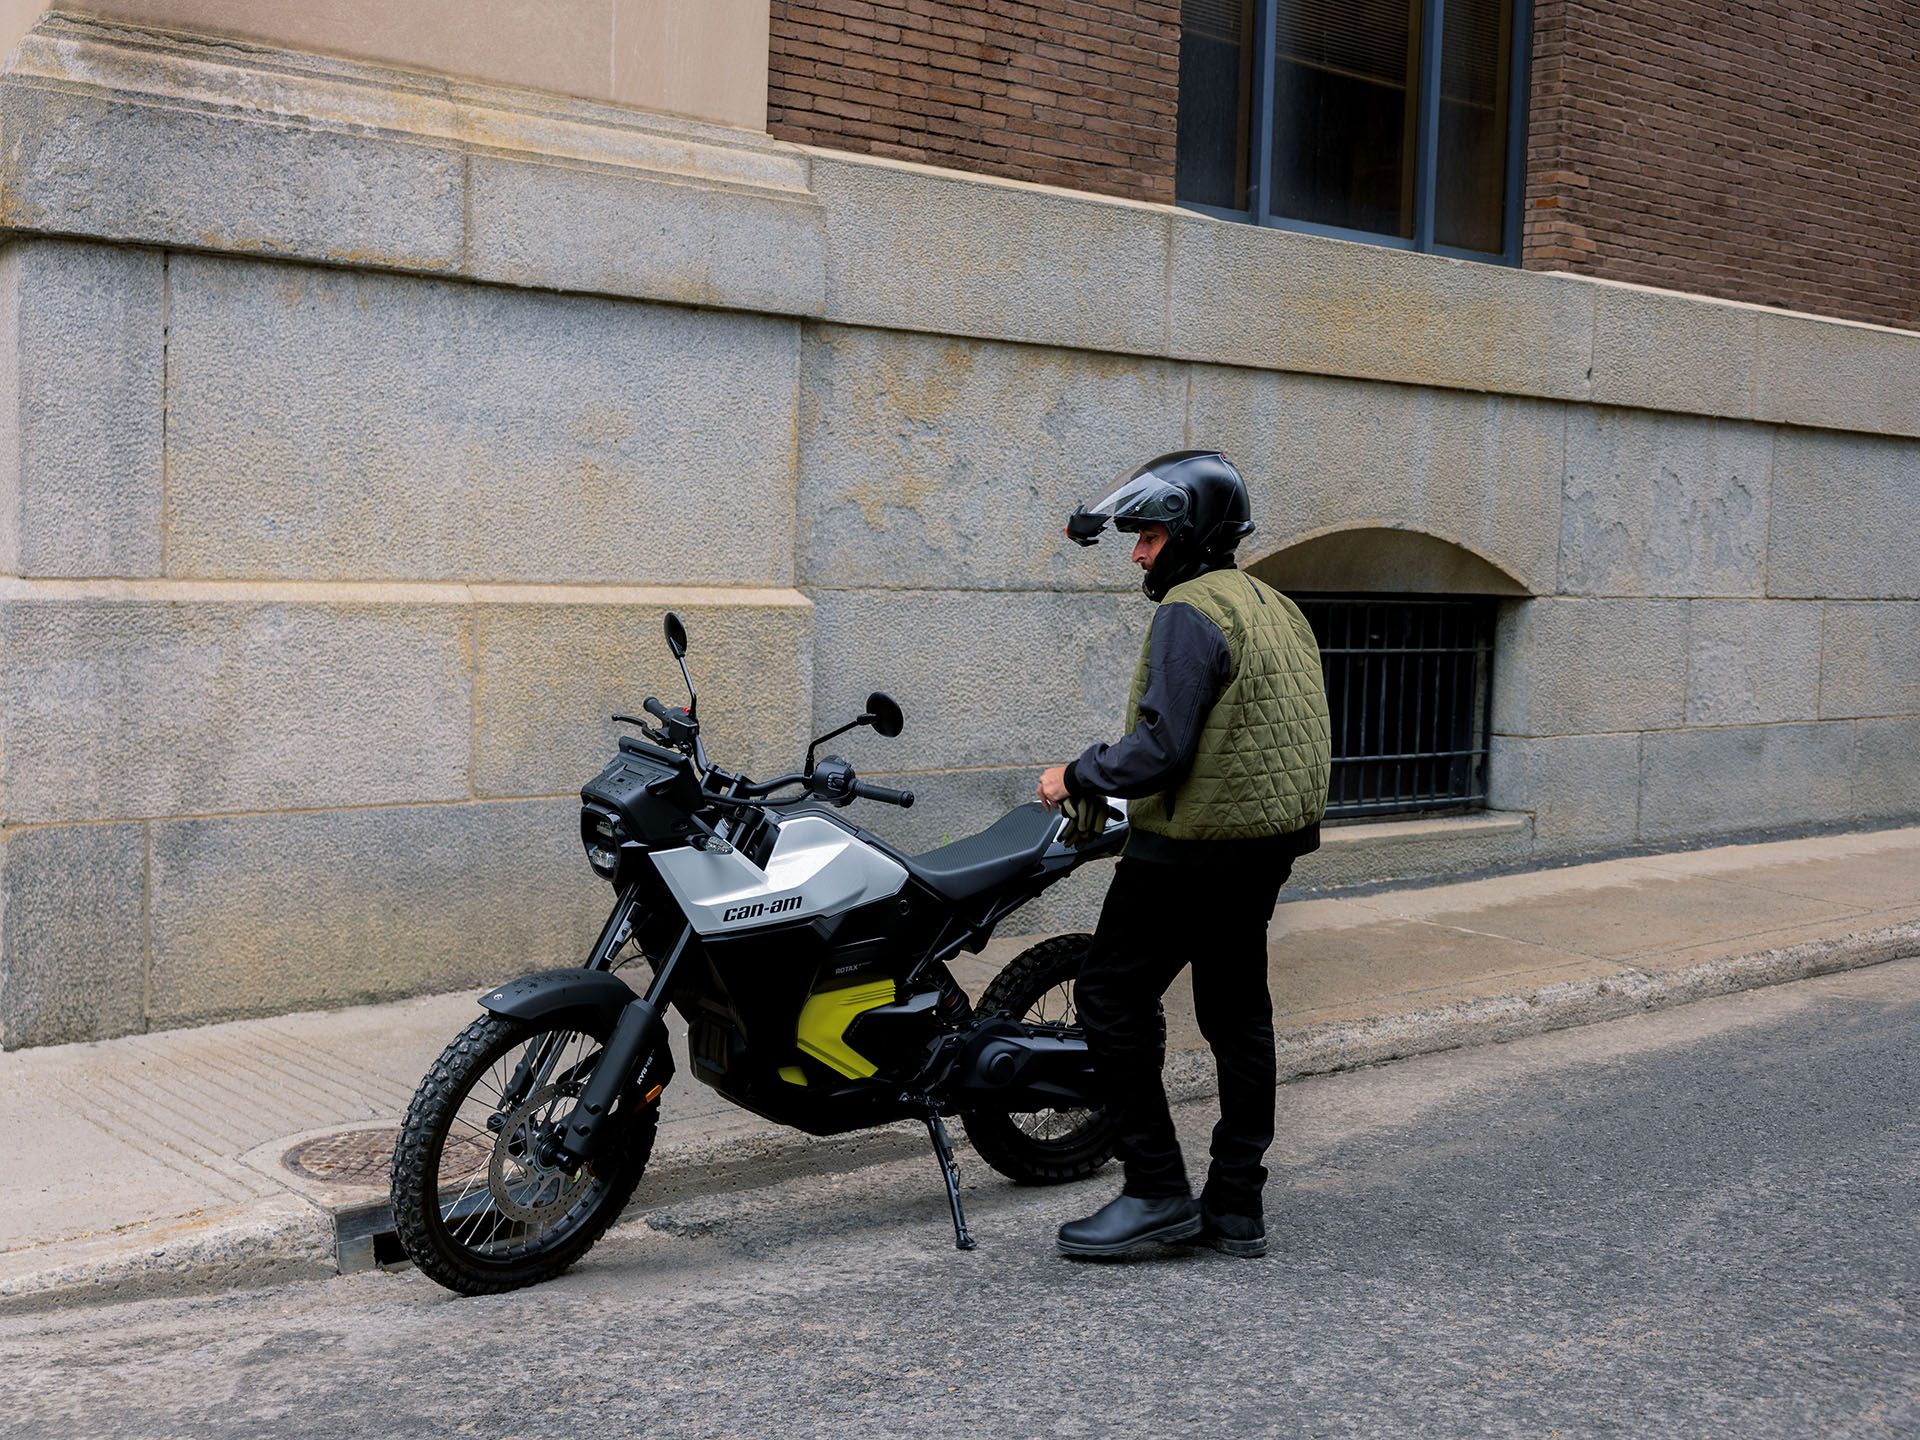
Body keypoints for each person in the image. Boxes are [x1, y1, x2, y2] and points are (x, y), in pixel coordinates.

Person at [1038, 450, 1331, 1259]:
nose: (1137, 552)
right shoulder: (1277, 606)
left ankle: (1156, 1190)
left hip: (1190, 852)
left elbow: (1159, 752)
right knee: (1239, 1016)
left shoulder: (1189, 613)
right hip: (1263, 850)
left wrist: (1075, 774)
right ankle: (1236, 1204)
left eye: (1149, 536)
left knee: (1109, 997)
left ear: (1190, 535)